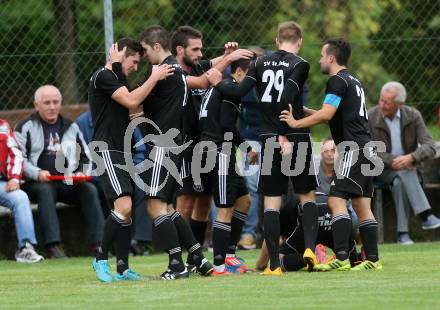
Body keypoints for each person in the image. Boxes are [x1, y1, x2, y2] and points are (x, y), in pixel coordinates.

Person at [208, 21, 318, 275]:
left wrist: (217, 82)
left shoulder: (258, 63)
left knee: (271, 202)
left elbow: (238, 92)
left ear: (277, 41)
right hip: (295, 135)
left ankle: (275, 265)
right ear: (298, 41)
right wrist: (286, 134)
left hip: (268, 138)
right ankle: (310, 249)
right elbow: (287, 96)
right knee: (306, 194)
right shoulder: (300, 64)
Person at [280, 38, 382, 271]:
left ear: (331, 58)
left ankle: (343, 258)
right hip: (367, 148)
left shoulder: (336, 81)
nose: (319, 60)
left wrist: (296, 123)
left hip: (353, 149)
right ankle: (373, 260)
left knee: (336, 200)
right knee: (362, 205)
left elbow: (326, 115)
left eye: (322, 55)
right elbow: (337, 115)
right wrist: (307, 112)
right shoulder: (353, 81)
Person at [88, 38, 173, 282]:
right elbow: (132, 101)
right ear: (119, 55)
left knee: (127, 212)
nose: (136, 67)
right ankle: (100, 258)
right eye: (134, 61)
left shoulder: (116, 78)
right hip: (107, 150)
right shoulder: (103, 77)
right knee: (123, 207)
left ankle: (123, 268)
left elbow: (134, 107)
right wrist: (154, 77)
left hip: (121, 151)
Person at [138, 25, 213, 280]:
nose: (145, 55)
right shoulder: (178, 71)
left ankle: (175, 264)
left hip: (163, 144)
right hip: (174, 143)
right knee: (169, 208)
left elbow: (134, 101)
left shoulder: (165, 72)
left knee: (155, 204)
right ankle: (198, 257)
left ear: (157, 46)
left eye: (146, 49)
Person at [170, 26, 254, 252]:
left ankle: (197, 257)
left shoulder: (197, 65)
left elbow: (211, 66)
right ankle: (176, 257)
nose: (200, 54)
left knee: (205, 203)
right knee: (186, 203)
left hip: (207, 146)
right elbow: (206, 79)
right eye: (195, 49)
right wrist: (230, 60)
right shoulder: (173, 73)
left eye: (201, 49)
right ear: (180, 49)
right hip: (186, 146)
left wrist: (228, 55)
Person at [14, 85, 104, 259]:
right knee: (46, 191)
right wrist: (37, 173)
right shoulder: (25, 127)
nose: (52, 107)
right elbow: (19, 158)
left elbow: (86, 156)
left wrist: (80, 172)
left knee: (89, 190)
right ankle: (53, 246)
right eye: (47, 103)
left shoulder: (71, 127)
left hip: (66, 181)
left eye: (56, 102)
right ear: (36, 105)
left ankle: (98, 244)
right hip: (37, 183)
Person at [197, 57, 258, 275]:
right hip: (218, 152)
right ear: (241, 71)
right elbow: (226, 125)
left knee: (244, 201)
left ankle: (230, 255)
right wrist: (246, 148)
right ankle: (220, 265)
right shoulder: (230, 88)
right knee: (224, 209)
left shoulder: (223, 88)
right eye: (253, 74)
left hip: (216, 151)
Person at [368, 81, 440, 244]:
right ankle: (425, 215)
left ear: (400, 104)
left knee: (401, 179)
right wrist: (393, 160)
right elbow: (368, 150)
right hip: (380, 170)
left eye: (387, 102)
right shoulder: (370, 116)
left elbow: (430, 146)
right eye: (381, 100)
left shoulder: (413, 116)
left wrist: (411, 157)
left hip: (407, 170)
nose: (382, 104)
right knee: (405, 170)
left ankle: (403, 235)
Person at [76, 110, 153, 254]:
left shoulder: (126, 118)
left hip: (127, 170)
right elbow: (81, 157)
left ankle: (139, 242)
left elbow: (140, 150)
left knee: (142, 186)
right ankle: (104, 246)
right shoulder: (82, 123)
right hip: (97, 175)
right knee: (109, 193)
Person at [0, 119, 44, 263]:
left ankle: (26, 248)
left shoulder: (3, 126)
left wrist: (14, 178)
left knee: (20, 197)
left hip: (2, 183)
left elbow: (15, 154)